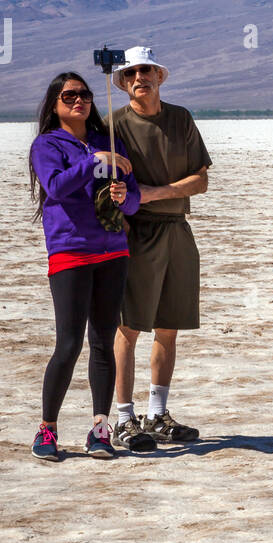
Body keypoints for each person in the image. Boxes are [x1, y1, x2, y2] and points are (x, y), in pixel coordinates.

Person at [27, 72, 141, 460]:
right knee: (69, 342)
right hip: (71, 251)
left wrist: (124, 195)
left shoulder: (107, 141)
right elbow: (56, 186)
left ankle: (99, 430)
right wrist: (94, 163)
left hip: (113, 251)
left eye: (85, 94)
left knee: (103, 342)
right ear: (55, 104)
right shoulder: (47, 145)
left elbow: (134, 200)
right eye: (69, 95)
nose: (79, 100)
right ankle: (47, 429)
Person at [108, 47, 212, 451]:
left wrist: (153, 193)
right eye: (131, 72)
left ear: (160, 76)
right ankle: (123, 418)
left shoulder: (180, 119)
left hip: (177, 230)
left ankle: (157, 414)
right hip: (135, 235)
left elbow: (200, 180)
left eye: (146, 70)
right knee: (129, 325)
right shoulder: (114, 125)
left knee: (169, 325)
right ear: (121, 81)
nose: (140, 77)